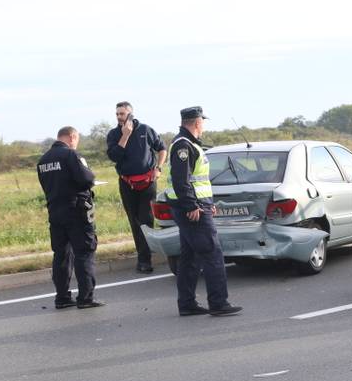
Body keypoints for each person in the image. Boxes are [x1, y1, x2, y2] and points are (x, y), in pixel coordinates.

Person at [167, 106, 242, 317]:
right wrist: (192, 205)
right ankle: (219, 303)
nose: (204, 125)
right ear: (197, 122)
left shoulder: (187, 144)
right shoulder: (184, 145)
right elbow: (182, 181)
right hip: (191, 209)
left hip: (197, 206)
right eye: (203, 121)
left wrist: (207, 203)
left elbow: (196, 181)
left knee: (190, 257)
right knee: (212, 253)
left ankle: (187, 304)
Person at [36, 126, 105, 309]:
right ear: (72, 137)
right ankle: (85, 298)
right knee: (84, 252)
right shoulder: (71, 155)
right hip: (76, 211)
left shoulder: (43, 160)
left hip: (55, 212)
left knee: (61, 255)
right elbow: (87, 179)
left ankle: (62, 297)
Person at [106, 101, 167, 273]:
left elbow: (162, 149)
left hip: (148, 182)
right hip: (127, 183)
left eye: (122, 114)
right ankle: (143, 257)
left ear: (131, 114)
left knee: (146, 219)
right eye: (117, 114)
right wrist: (125, 136)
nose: (119, 117)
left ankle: (145, 259)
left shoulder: (145, 130)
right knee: (135, 221)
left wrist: (158, 168)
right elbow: (114, 157)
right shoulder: (113, 134)